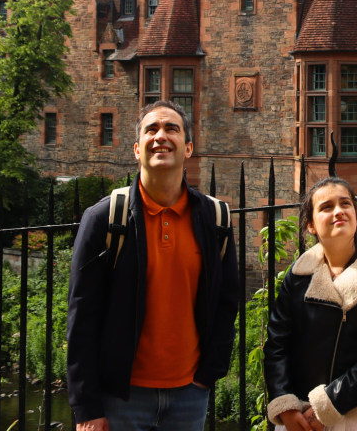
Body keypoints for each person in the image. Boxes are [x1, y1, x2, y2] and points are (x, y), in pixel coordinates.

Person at [67, 101, 240, 431]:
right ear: (137, 149)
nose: (161, 136)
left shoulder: (215, 218)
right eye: (151, 129)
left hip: (190, 393)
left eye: (172, 129)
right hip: (121, 396)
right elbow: (82, 316)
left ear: (188, 148)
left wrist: (209, 372)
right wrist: (86, 407)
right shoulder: (104, 218)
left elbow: (226, 301)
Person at [265, 177, 357, 431]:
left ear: (356, 215)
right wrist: (284, 403)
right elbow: (276, 344)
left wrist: (329, 405)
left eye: (345, 203)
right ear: (310, 225)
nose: (338, 211)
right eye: (326, 207)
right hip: (300, 417)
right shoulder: (297, 276)